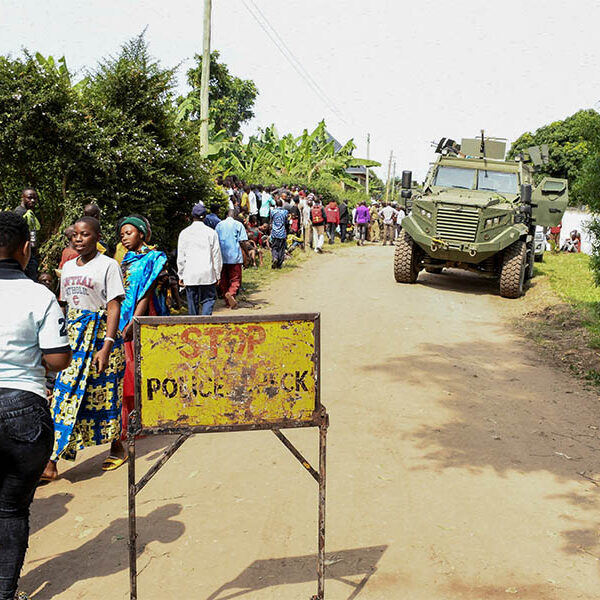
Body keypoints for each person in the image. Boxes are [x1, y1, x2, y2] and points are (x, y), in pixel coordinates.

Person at [0, 212, 71, 600]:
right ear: (26, 249)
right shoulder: (39, 295)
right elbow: (59, 360)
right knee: (11, 509)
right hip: (21, 409)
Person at [43, 216, 126, 482]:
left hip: (102, 337)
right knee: (63, 396)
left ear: (98, 237)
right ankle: (51, 461)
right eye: (75, 235)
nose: (79, 239)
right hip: (74, 338)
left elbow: (114, 305)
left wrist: (107, 345)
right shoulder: (67, 267)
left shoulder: (108, 265)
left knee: (103, 395)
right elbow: (65, 308)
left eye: (85, 234)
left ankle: (117, 446)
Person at [119, 216, 169, 446]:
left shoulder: (153, 258)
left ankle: (147, 416)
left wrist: (134, 320)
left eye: (128, 233)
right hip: (123, 315)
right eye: (122, 234)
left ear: (141, 233)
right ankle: (130, 420)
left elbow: (146, 292)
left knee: (140, 365)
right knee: (127, 368)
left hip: (143, 317)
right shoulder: (126, 259)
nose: (124, 237)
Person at [177, 203, 223, 315]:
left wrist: (181, 274)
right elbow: (216, 255)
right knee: (208, 300)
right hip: (207, 274)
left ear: (192, 216)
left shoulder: (184, 233)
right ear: (205, 216)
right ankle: (205, 322)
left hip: (190, 274)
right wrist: (218, 274)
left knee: (192, 302)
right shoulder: (211, 233)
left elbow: (181, 257)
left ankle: (194, 325)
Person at [216, 209, 248, 309]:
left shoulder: (219, 225)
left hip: (222, 257)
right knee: (235, 279)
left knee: (224, 279)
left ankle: (227, 301)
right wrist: (247, 253)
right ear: (235, 215)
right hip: (234, 257)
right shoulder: (238, 225)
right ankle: (231, 293)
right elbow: (242, 241)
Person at [13, 187, 41, 280]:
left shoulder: (30, 213)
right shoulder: (19, 213)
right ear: (22, 197)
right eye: (29, 198)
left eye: (35, 198)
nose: (32, 200)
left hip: (30, 254)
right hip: (23, 256)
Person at [270, 198, 289, 269]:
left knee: (274, 247)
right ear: (282, 204)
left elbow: (271, 222)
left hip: (274, 232)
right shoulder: (285, 212)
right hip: (282, 233)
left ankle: (275, 257)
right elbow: (286, 222)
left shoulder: (273, 212)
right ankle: (279, 264)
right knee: (281, 248)